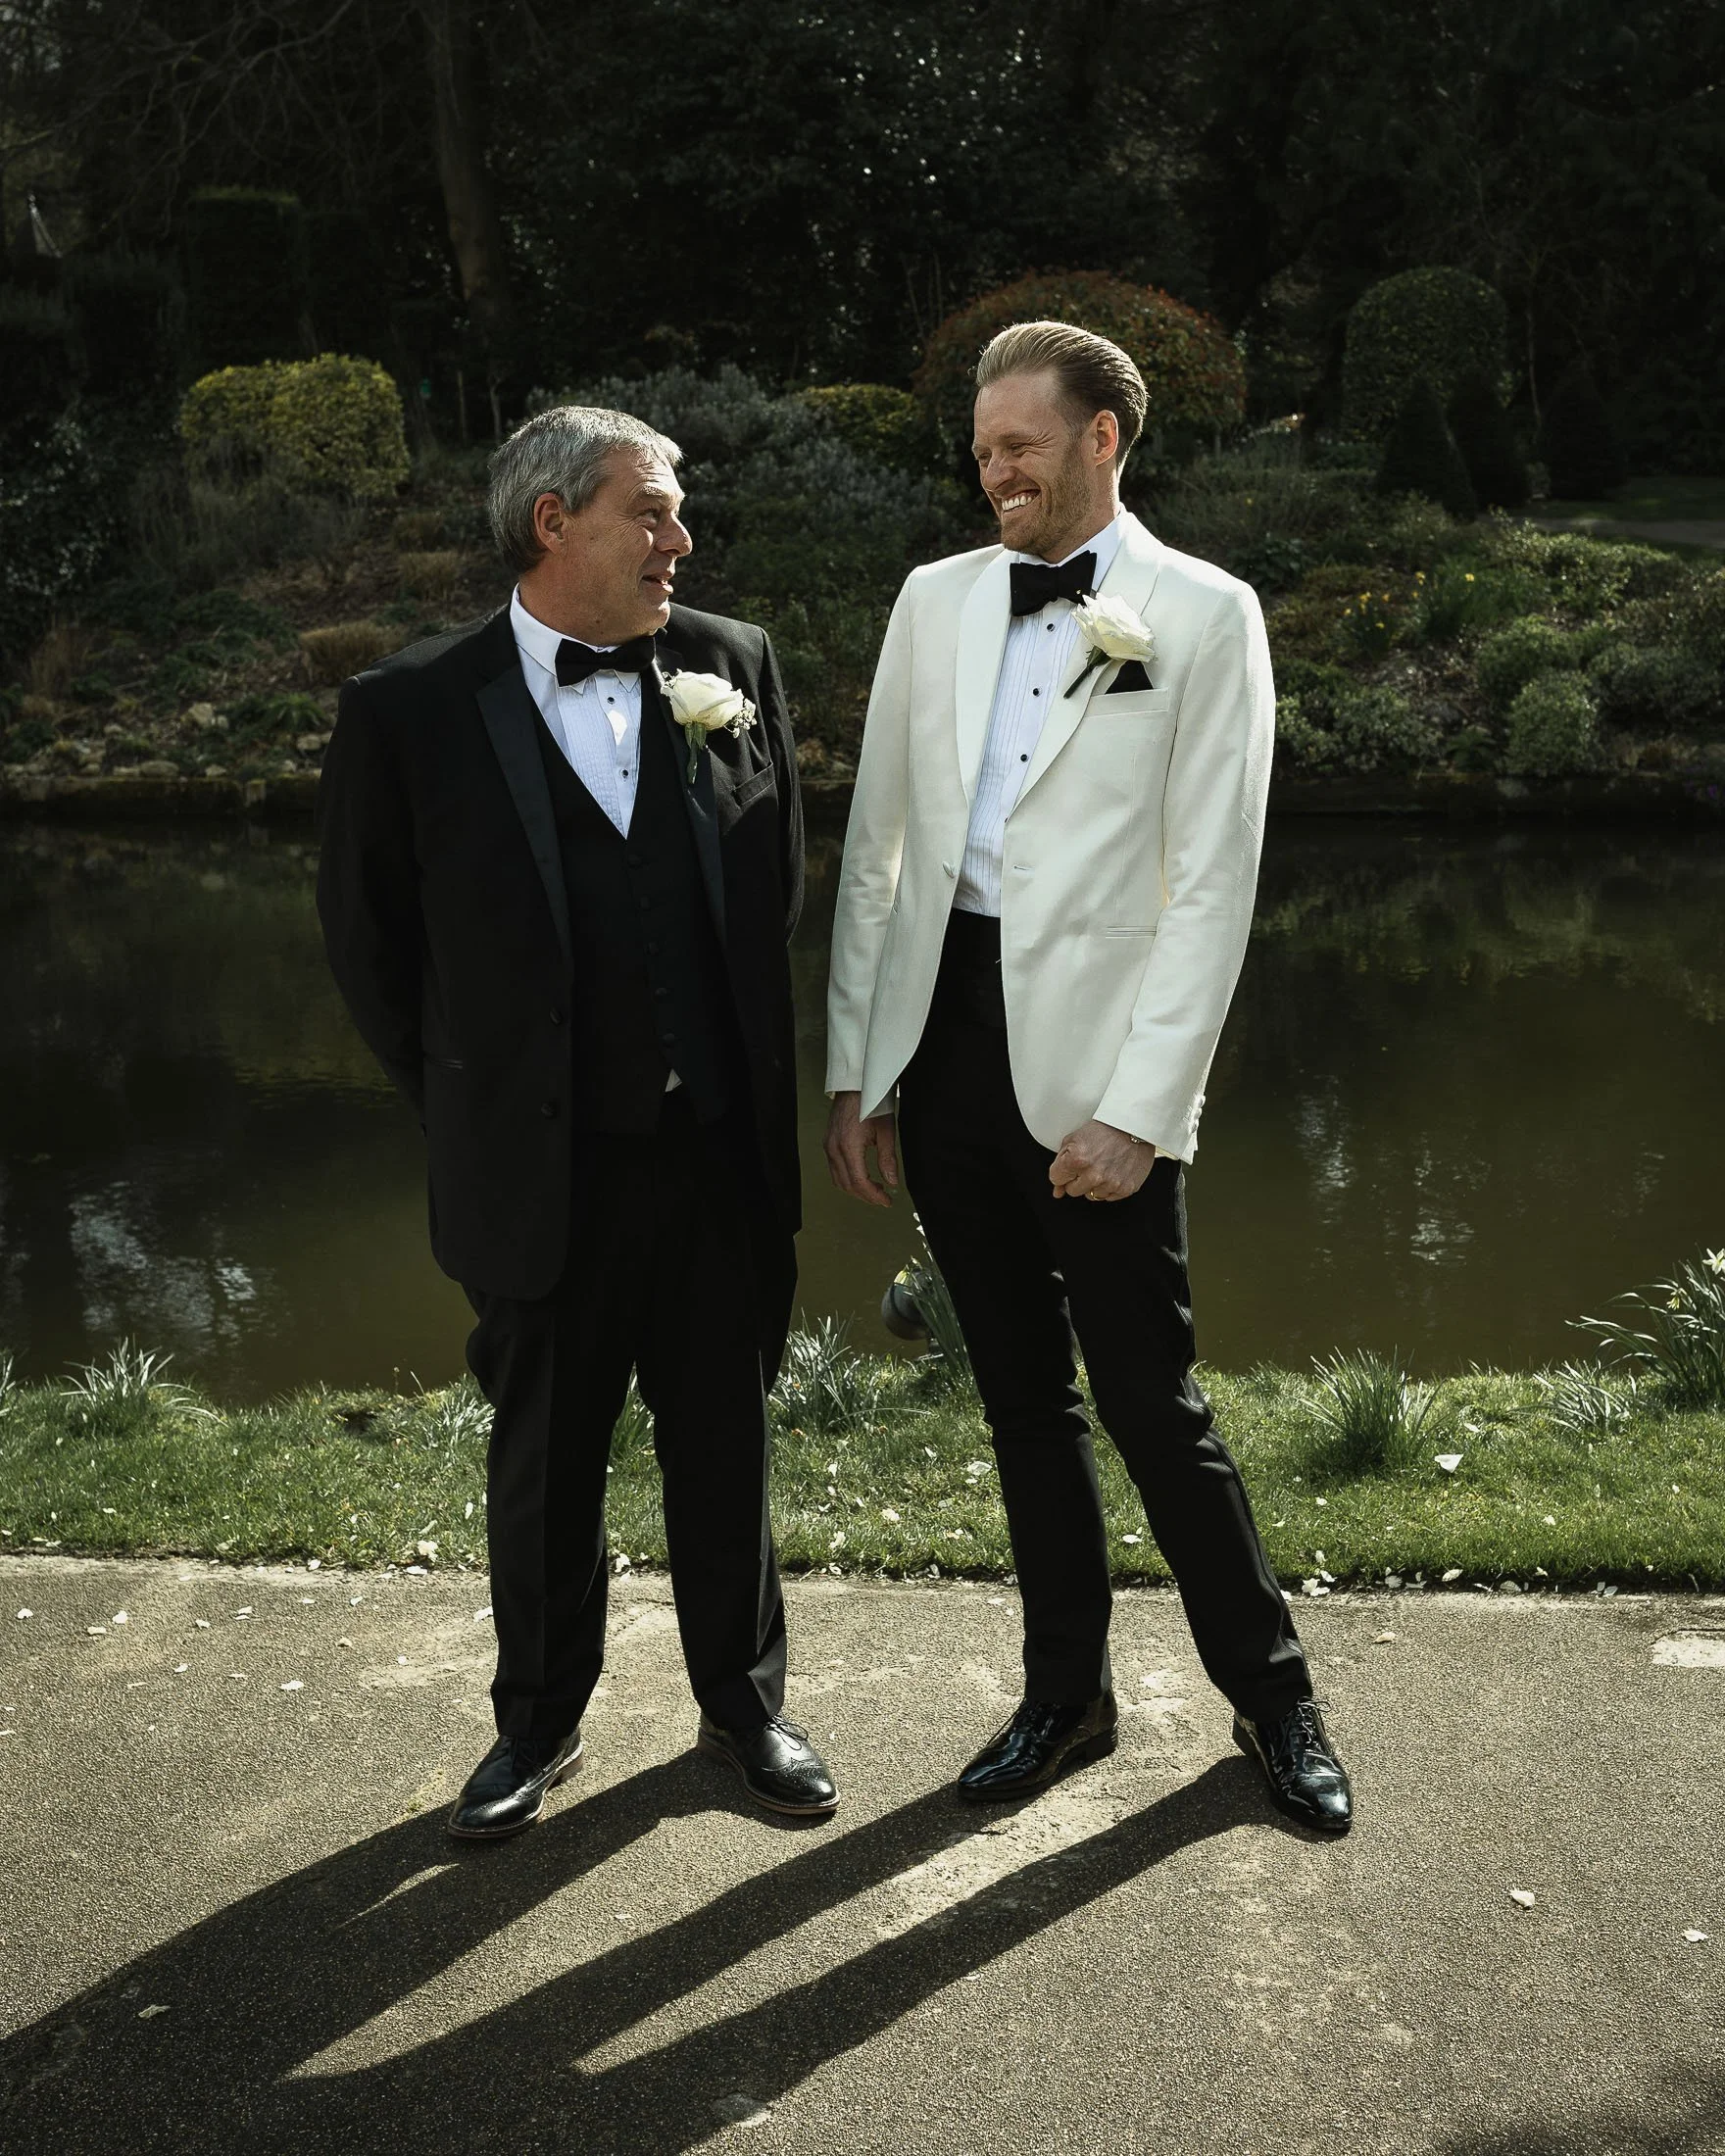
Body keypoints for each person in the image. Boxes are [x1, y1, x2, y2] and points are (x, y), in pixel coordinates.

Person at [823, 322, 1351, 1834]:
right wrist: (863, 1070)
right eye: (981, 448)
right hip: (948, 1043)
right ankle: (1067, 1699)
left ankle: (1275, 1701)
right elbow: (880, 854)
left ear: (1104, 438)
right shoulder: (931, 603)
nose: (993, 470)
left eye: (1019, 447)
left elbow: (1214, 884)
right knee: (1017, 1403)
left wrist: (1142, 1109)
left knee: (1150, 1399)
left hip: (1101, 1069)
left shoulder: (1204, 612)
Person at [318, 404, 837, 1838]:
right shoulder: (410, 711)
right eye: (652, 512)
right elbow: (369, 952)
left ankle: (745, 1712)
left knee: (724, 1441)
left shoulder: (733, 667)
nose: (683, 538)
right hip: (536, 1175)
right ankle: (536, 1729)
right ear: (555, 523)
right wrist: (477, 1111)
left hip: (713, 1159)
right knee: (545, 1462)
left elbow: (771, 889)